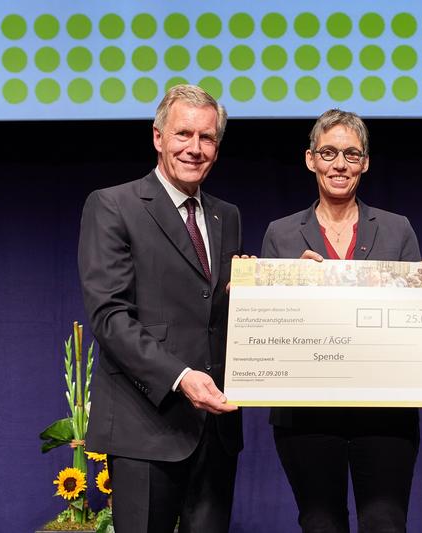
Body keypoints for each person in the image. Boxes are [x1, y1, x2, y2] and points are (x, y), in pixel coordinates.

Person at [78, 84, 243, 533]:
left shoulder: (226, 216)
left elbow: (218, 308)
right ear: (157, 136)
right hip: (145, 427)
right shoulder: (113, 206)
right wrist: (181, 377)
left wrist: (285, 288)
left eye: (207, 138)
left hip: (216, 431)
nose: (194, 148)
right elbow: (109, 317)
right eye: (183, 134)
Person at [261, 109, 421, 533]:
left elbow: (413, 327)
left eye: (351, 154)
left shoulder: (396, 229)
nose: (340, 164)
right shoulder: (281, 234)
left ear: (365, 162)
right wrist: (283, 282)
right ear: (310, 159)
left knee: (385, 524)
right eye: (329, 152)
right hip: (306, 416)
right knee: (320, 524)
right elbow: (268, 326)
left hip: (385, 414)